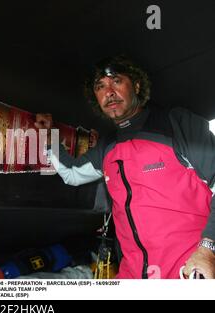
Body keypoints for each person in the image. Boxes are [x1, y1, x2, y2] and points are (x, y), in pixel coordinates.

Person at [35, 55, 215, 279]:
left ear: (136, 86)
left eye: (116, 81)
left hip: (189, 269)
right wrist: (48, 134)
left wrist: (209, 248)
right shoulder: (107, 146)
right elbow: (72, 174)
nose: (108, 92)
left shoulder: (176, 123)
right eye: (100, 87)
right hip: (132, 274)